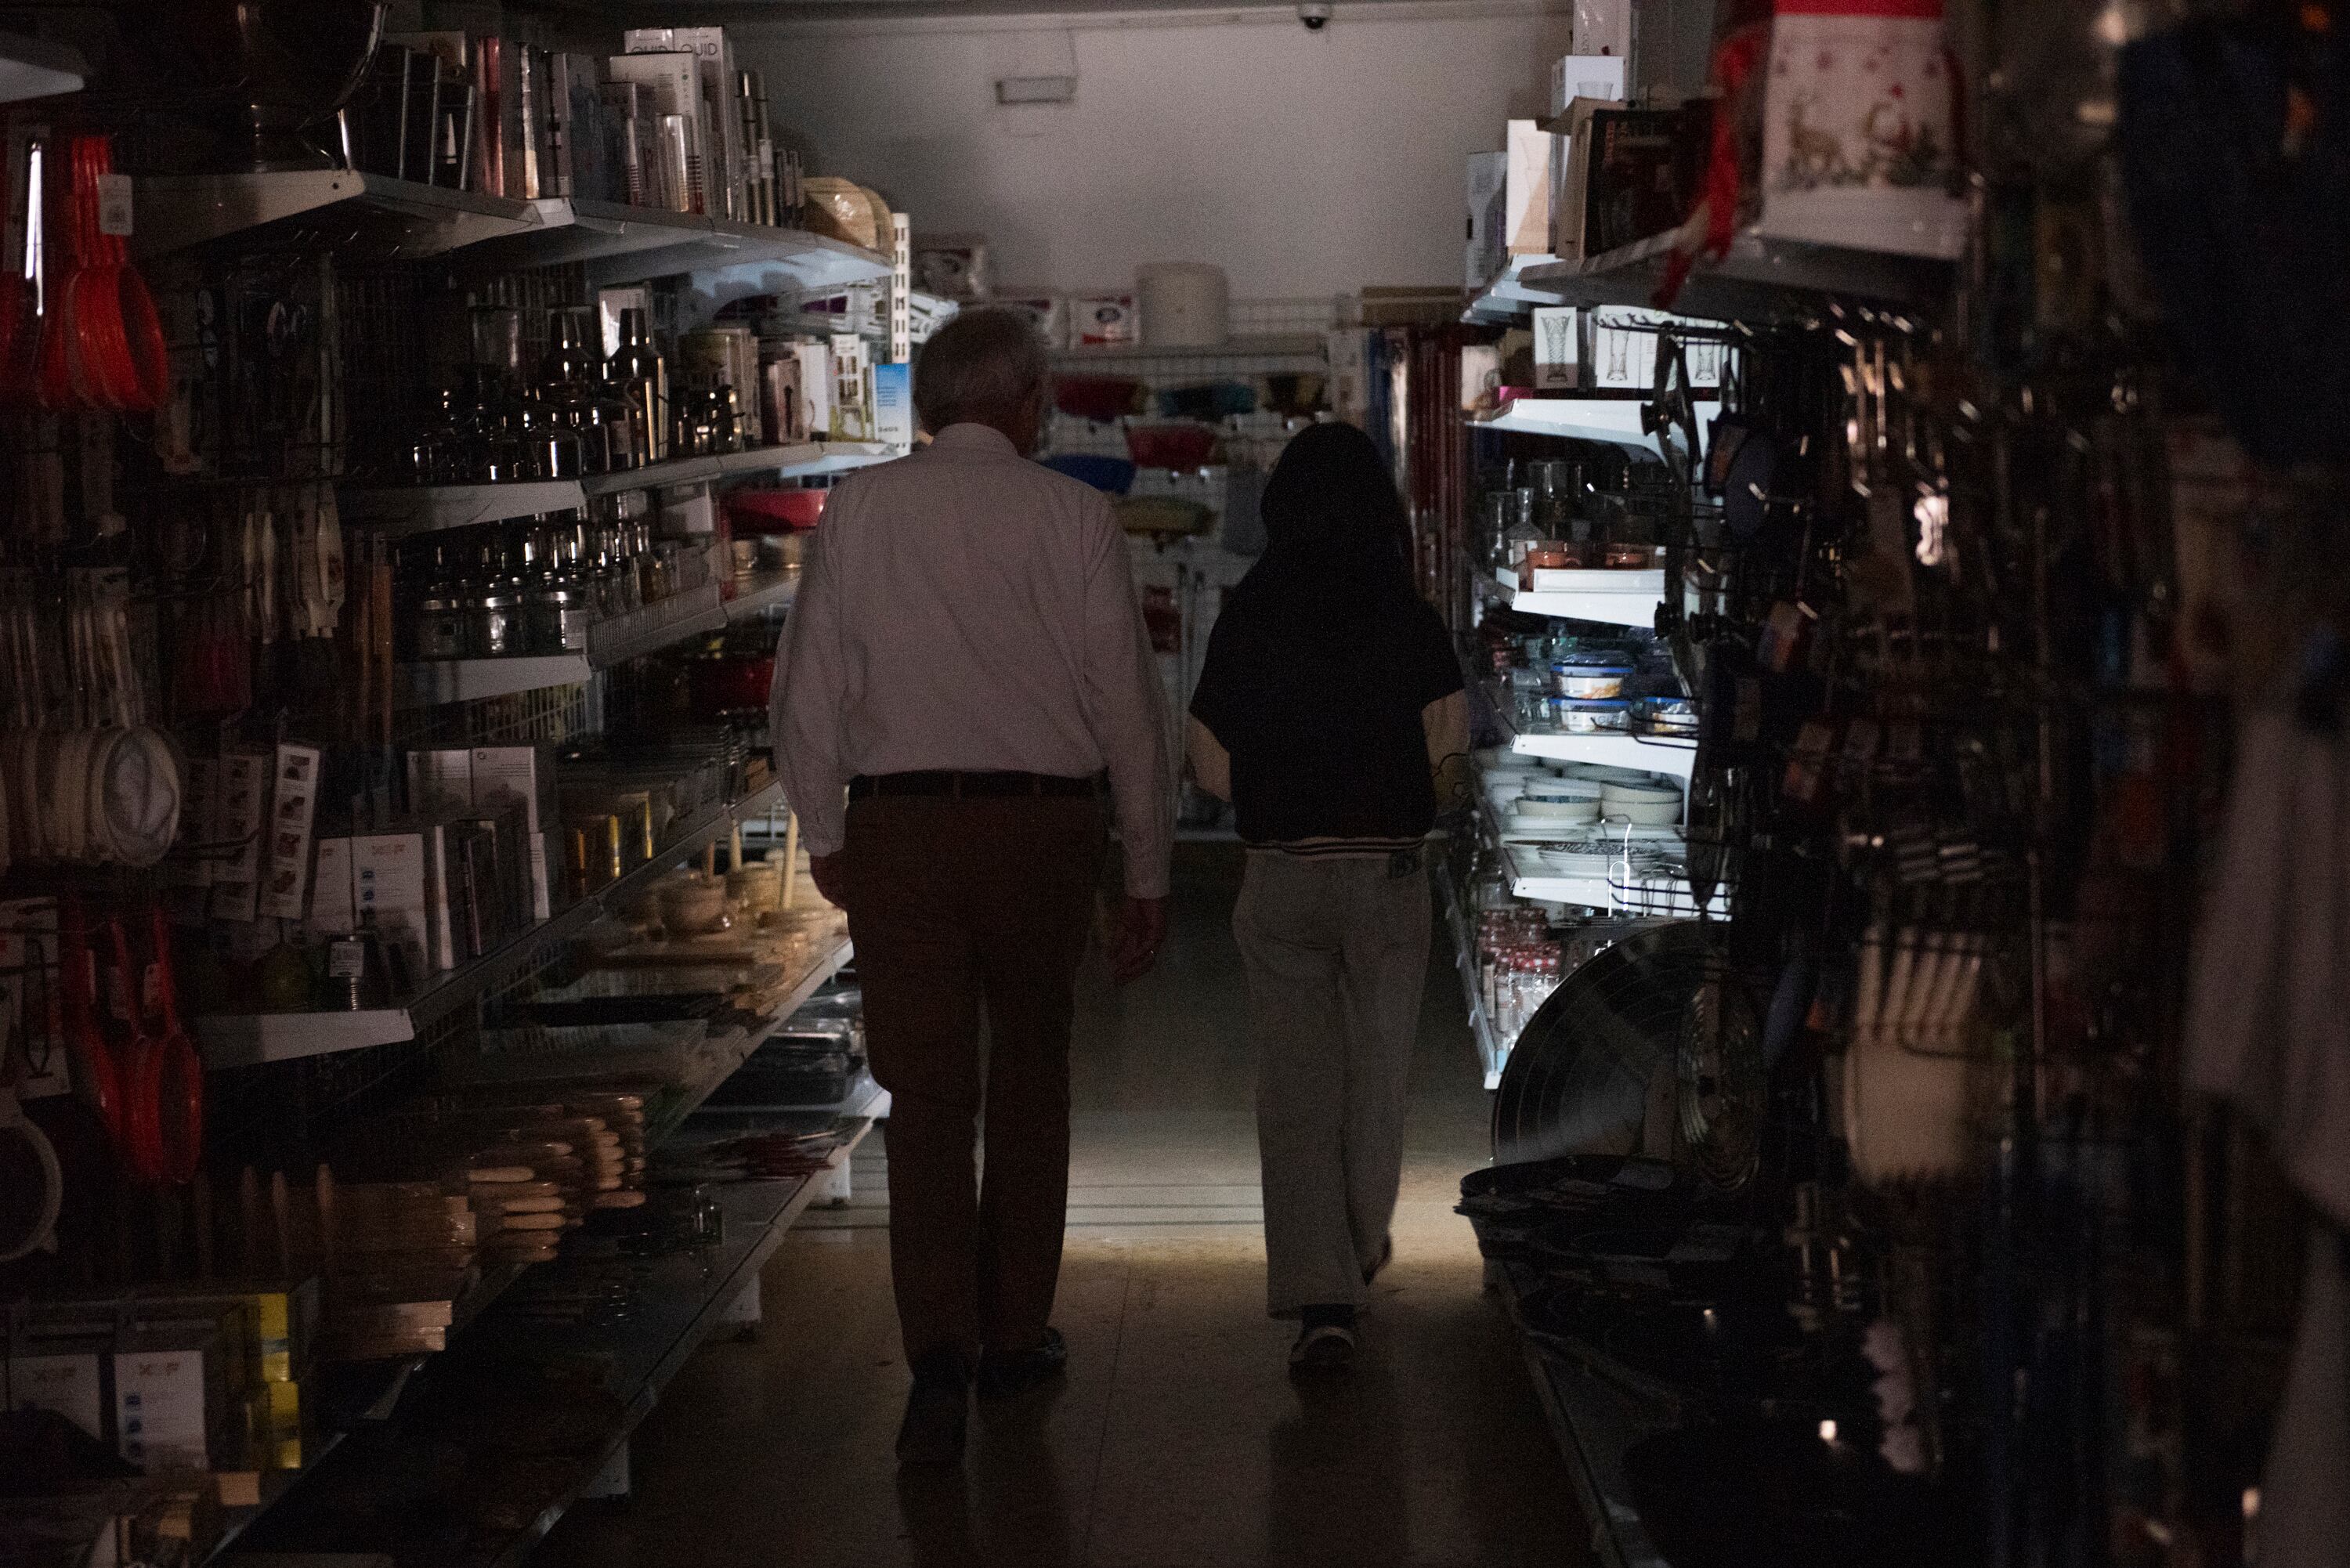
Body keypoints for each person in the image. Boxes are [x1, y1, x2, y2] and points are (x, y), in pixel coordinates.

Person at [770, 308, 1173, 1465]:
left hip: (900, 827)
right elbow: (1126, 708)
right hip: (1043, 830)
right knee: (1032, 1078)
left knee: (928, 1096)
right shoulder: (1075, 516)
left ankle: (938, 1356)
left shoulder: (861, 510)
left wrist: (827, 830)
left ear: (931, 403)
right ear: (1027, 402)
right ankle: (1013, 1335)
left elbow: (806, 692)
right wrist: (1146, 870)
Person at [1184, 421, 1470, 1373]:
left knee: (1296, 1086)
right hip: (1387, 872)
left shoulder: (1251, 614)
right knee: (1376, 1077)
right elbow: (1448, 750)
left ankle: (1321, 1297)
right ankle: (1356, 1243)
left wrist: (1277, 788)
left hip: (1285, 873)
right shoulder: (1408, 616)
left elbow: (1207, 758)